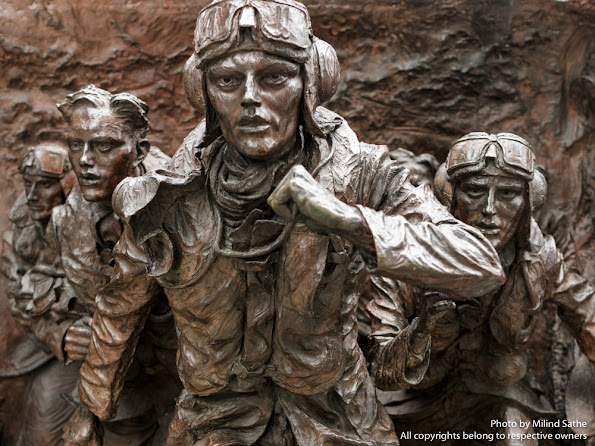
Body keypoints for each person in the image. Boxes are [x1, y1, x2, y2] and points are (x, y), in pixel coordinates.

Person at [71, 2, 504, 444]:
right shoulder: (163, 199)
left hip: (337, 416)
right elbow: (118, 310)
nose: (249, 97)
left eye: (274, 77)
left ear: (311, 84)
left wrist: (347, 220)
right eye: (227, 80)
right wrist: (91, 409)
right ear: (202, 92)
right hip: (213, 423)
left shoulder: (364, 175)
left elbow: (480, 267)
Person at [367, 132, 595, 445]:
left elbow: (587, 315)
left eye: (508, 193)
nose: (490, 209)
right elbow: (381, 367)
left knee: (517, 436)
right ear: (450, 195)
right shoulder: (405, 256)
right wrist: (422, 330)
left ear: (527, 201)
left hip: (498, 399)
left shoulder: (540, 260)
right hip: (410, 407)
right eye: (475, 190)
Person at [21, 85, 178, 446]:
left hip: (181, 373)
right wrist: (59, 334)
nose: (86, 160)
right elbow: (37, 284)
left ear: (139, 150)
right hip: (111, 374)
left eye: (104, 146)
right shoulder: (66, 219)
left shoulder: (178, 202)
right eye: (77, 145)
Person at [0, 143, 75, 445]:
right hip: (40, 340)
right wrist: (59, 332)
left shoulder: (93, 216)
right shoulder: (22, 222)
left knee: (42, 427)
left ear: (68, 182)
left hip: (90, 349)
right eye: (29, 184)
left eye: (44, 184)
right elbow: (18, 291)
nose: (33, 195)